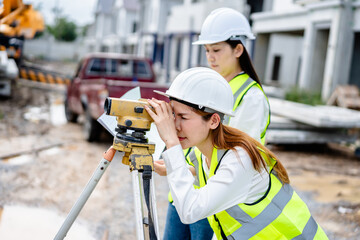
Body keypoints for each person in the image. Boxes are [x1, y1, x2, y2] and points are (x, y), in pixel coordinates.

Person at [145, 67, 328, 240]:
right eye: (173, 115)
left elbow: (189, 210)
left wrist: (171, 141)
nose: (175, 125)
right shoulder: (204, 155)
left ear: (214, 121)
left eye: (183, 117)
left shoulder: (240, 160)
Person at [156, 7, 270, 239]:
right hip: (185, 187)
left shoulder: (251, 95)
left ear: (238, 49)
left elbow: (239, 160)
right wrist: (178, 165)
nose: (210, 56)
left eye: (216, 49)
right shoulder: (206, 84)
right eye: (207, 50)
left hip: (212, 199)